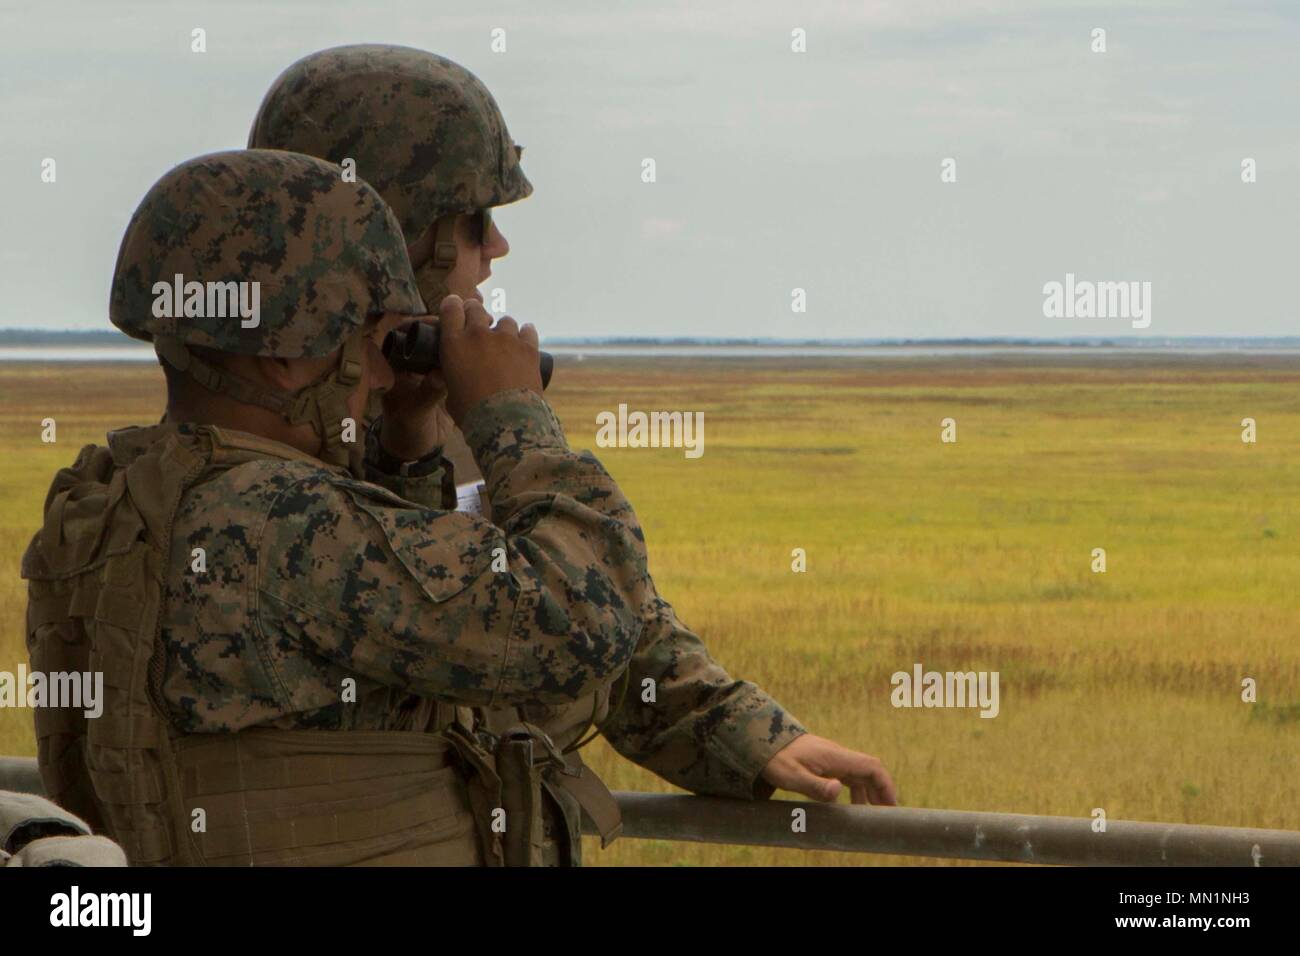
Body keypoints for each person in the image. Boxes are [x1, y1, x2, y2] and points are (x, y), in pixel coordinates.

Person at [249, 45, 898, 815]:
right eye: (474, 220)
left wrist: (744, 730)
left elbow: (589, 634)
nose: (496, 249)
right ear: (398, 238)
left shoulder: (404, 424)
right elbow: (565, 620)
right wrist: (513, 422)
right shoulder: (263, 475)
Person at [22, 148, 659, 865]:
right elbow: (586, 619)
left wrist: (410, 449)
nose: (386, 370)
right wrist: (513, 414)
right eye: (371, 340)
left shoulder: (115, 497)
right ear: (286, 357)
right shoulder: (279, 519)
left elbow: (375, 650)